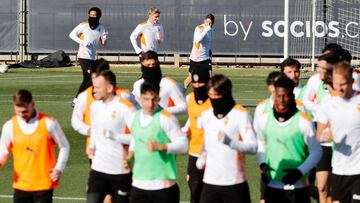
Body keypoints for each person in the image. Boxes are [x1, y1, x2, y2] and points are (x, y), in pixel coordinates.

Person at [256, 75, 322, 203]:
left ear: (292, 96)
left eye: (285, 96)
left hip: (298, 187)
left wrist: (299, 171)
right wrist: (263, 164)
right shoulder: (263, 119)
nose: (281, 100)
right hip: (272, 185)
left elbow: (316, 151)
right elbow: (260, 143)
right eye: (278, 96)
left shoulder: (304, 122)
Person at [0, 89, 70, 203]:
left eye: (25, 111)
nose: (21, 115)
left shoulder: (49, 123)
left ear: (32, 104)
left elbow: (64, 146)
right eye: (18, 112)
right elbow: (2, 151)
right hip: (21, 184)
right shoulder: (9, 126)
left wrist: (58, 169)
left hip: (43, 184)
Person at [196, 74, 257, 203]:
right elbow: (208, 143)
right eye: (210, 96)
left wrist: (232, 143)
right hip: (210, 182)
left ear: (226, 93)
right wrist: (202, 156)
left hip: (234, 182)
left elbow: (253, 146)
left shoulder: (240, 114)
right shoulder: (206, 116)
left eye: (217, 96)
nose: (214, 100)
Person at [126, 82, 188, 203]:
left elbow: (184, 145)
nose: (150, 104)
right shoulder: (134, 117)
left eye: (154, 100)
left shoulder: (167, 118)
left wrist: (162, 146)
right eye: (146, 99)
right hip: (139, 185)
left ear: (159, 99)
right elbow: (136, 139)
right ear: (139, 99)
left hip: (163, 185)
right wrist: (129, 157)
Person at [71, 59, 136, 163]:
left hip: (119, 151)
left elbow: (140, 114)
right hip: (96, 151)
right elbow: (75, 121)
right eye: (93, 78)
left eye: (99, 79)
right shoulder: (84, 96)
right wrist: (90, 131)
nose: (96, 83)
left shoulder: (124, 95)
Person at [86, 70, 136, 203]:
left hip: (119, 169)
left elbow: (138, 136)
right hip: (98, 168)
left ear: (109, 88)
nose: (93, 90)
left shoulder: (126, 107)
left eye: (97, 87)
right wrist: (91, 146)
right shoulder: (94, 106)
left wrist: (117, 137)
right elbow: (95, 130)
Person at [315, 61, 360, 203]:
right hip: (339, 169)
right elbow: (319, 136)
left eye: (343, 84)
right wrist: (328, 135)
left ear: (352, 81)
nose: (339, 89)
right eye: (336, 84)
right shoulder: (328, 103)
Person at [302, 52, 342, 203]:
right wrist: (321, 110)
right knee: (322, 187)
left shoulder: (347, 85)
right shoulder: (314, 80)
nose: (317, 70)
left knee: (339, 190)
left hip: (343, 145)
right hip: (324, 143)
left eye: (321, 67)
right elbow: (305, 101)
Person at [181, 67, 212, 203]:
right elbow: (191, 119)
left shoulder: (214, 99)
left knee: (211, 192)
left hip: (212, 153)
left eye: (201, 83)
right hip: (194, 153)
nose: (197, 86)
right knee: (194, 190)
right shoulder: (189, 99)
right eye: (194, 83)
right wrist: (184, 131)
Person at [69, 7, 108, 105]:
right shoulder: (83, 25)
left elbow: (104, 43)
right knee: (89, 77)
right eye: (91, 15)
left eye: (95, 15)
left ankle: (86, 98)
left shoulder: (101, 27)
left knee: (91, 78)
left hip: (92, 56)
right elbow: (72, 35)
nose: (93, 17)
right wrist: (83, 42)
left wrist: (105, 38)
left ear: (99, 16)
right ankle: (77, 100)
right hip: (83, 55)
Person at [132, 51, 186, 115]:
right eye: (148, 65)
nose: (151, 68)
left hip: (164, 122)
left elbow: (184, 107)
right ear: (142, 65)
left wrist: (161, 111)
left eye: (154, 64)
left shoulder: (169, 84)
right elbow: (132, 104)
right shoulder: (138, 84)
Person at [183, 14, 215, 88]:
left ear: (213, 23)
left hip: (206, 58)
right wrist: (205, 30)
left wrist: (209, 50)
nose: (208, 24)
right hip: (196, 58)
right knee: (191, 78)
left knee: (209, 77)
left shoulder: (211, 30)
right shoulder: (199, 28)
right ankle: (182, 92)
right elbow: (197, 40)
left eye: (210, 23)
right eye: (207, 22)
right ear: (204, 21)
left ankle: (208, 97)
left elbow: (207, 42)